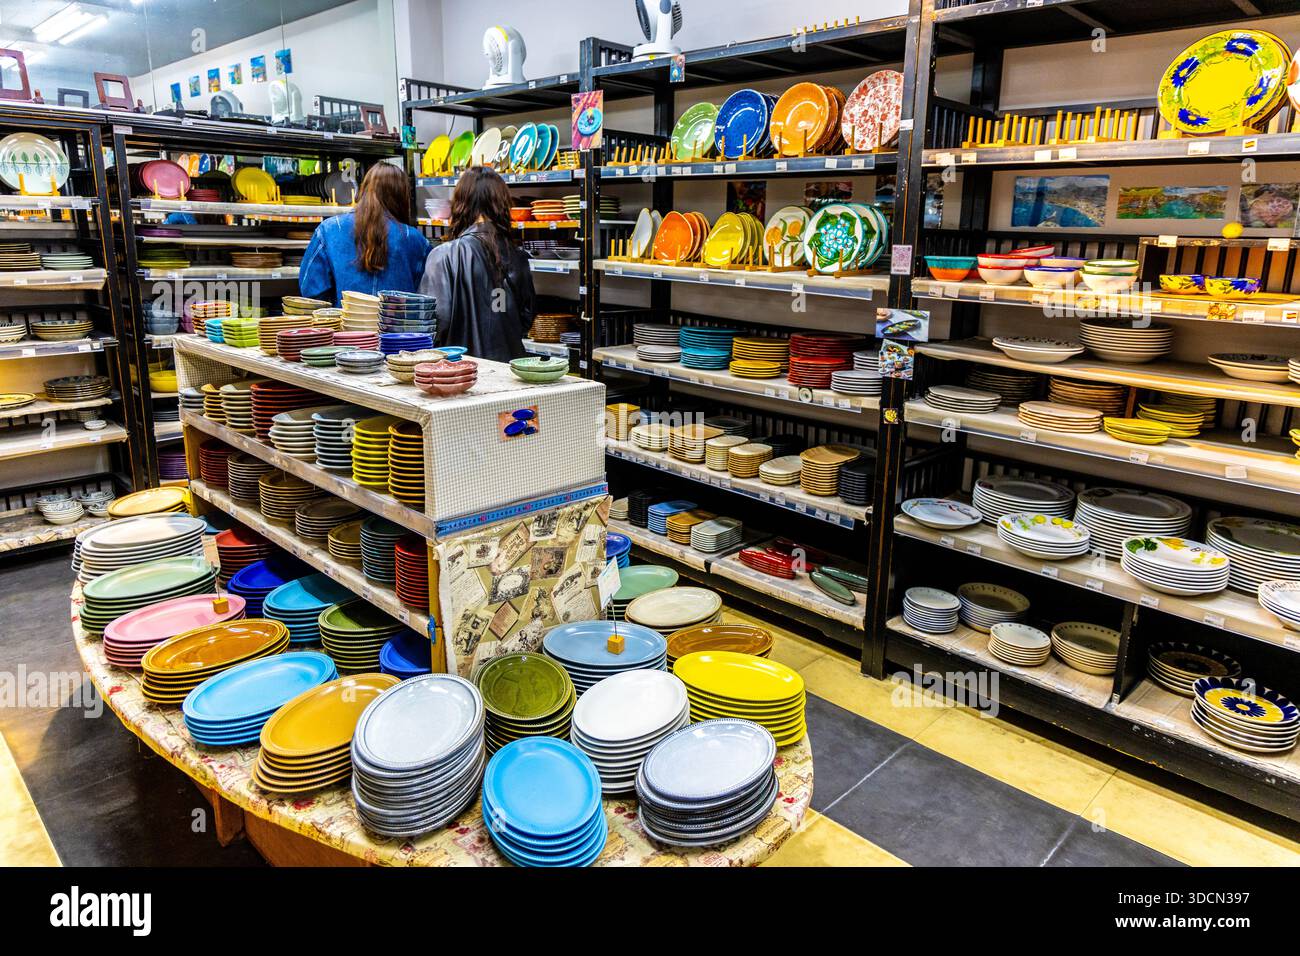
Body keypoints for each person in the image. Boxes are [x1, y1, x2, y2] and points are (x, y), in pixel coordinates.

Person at [419, 166, 534, 362]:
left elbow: (435, 321)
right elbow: (526, 318)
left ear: (461, 203)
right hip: (510, 365)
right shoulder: (518, 256)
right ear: (502, 204)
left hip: (460, 368)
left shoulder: (443, 256)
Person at [299, 163, 430, 306]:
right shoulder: (416, 240)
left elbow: (312, 290)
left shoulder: (329, 229)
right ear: (402, 196)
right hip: (398, 320)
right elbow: (427, 295)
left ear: (364, 188)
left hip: (345, 319)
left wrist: (336, 309)